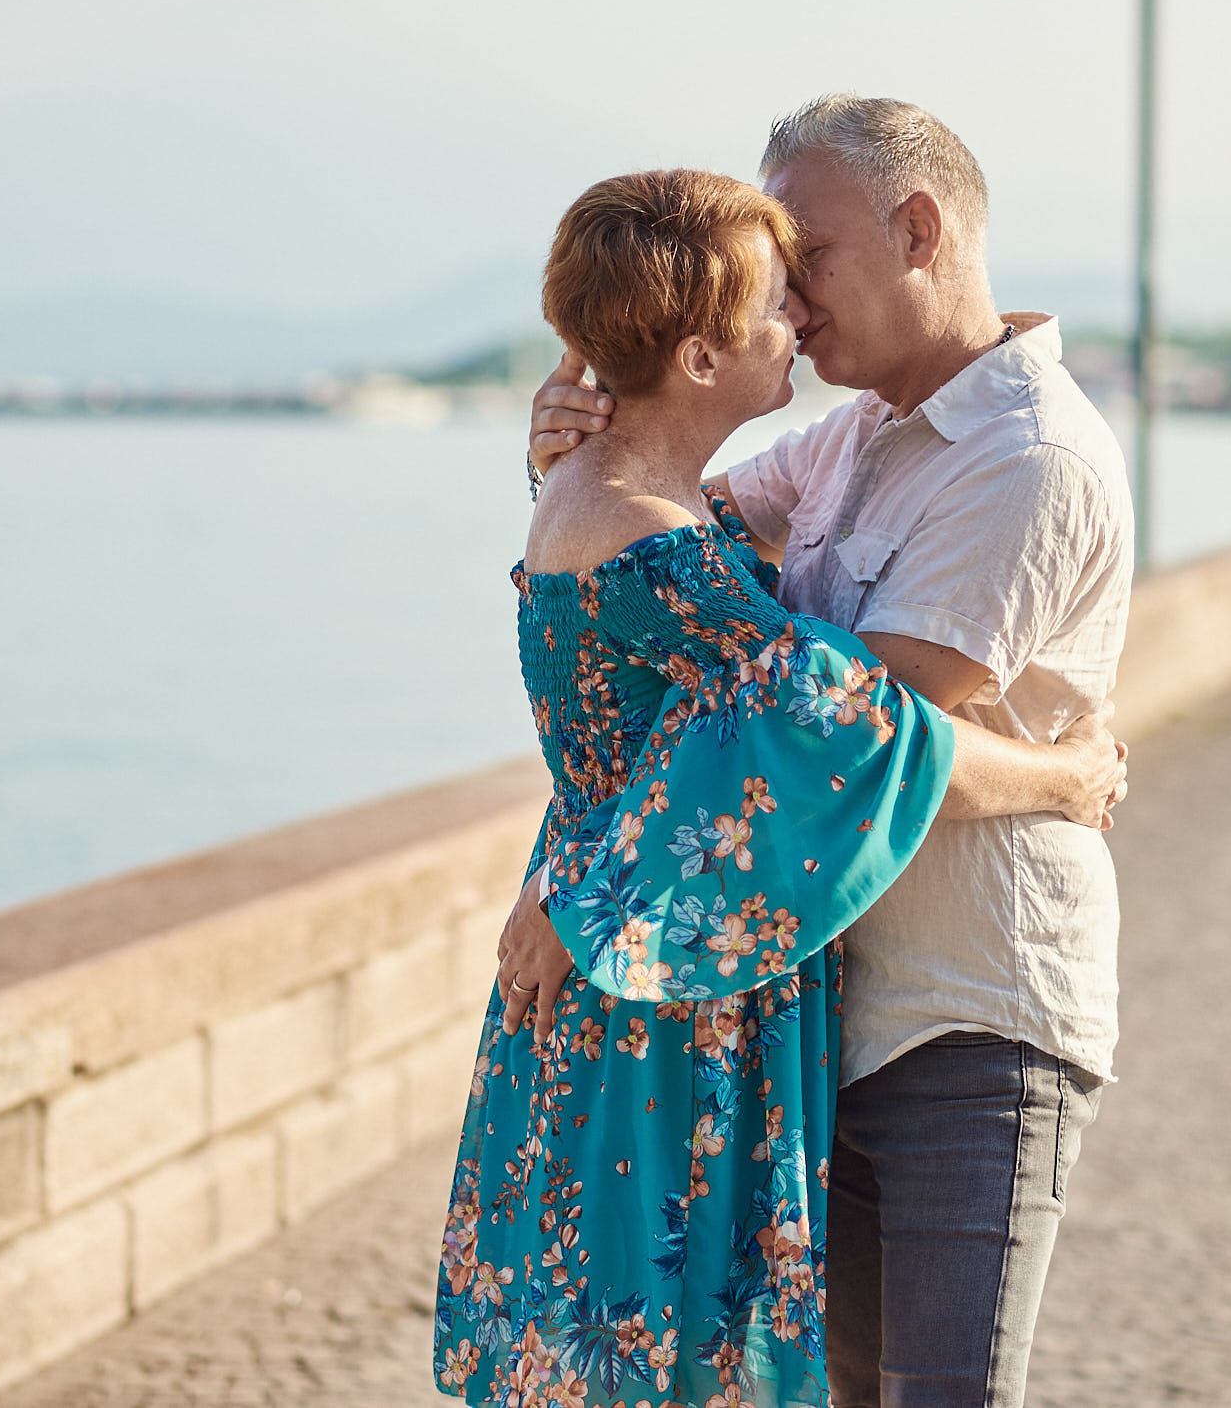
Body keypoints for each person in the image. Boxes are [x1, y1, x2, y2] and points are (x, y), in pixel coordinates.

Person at [436, 168, 1126, 1408]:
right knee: (673, 1357)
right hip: (662, 1000)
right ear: (700, 358)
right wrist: (1066, 777)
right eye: (771, 299)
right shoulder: (665, 549)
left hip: (642, 960)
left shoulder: (610, 503)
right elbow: (859, 735)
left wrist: (572, 433)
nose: (793, 317)